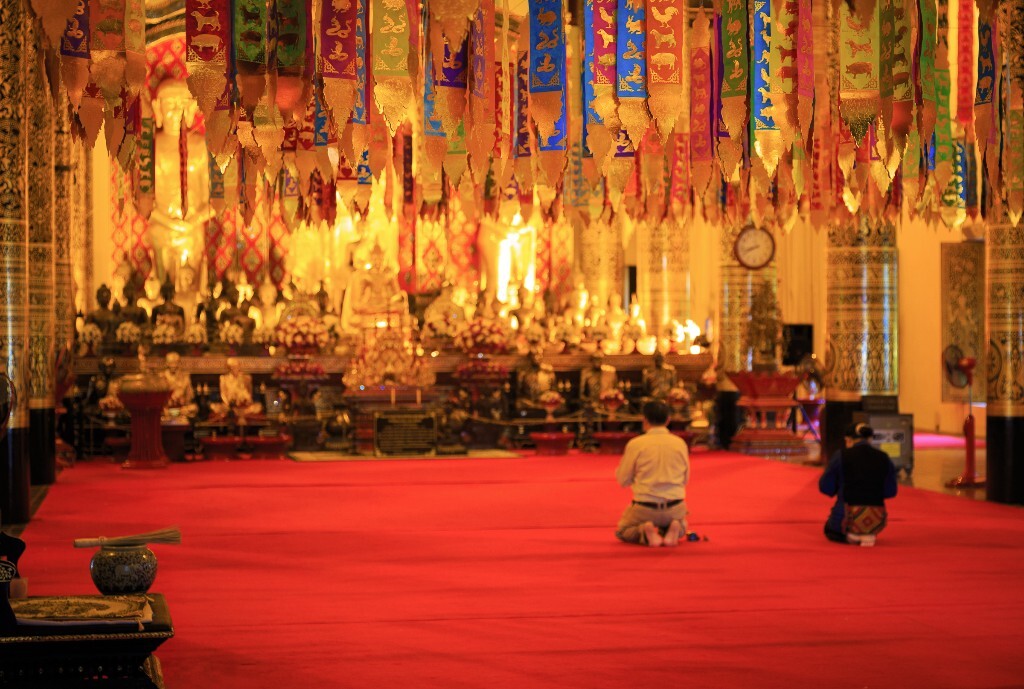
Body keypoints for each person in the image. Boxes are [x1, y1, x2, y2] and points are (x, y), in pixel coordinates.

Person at [614, 400, 691, 547]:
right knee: (683, 524)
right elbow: (686, 479)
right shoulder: (680, 443)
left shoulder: (636, 444)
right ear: (668, 420)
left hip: (645, 506)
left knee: (623, 531)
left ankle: (644, 530)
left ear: (645, 420)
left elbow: (623, 479)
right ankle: (675, 527)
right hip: (675, 505)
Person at [819, 422, 898, 546]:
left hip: (845, 519)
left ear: (849, 440)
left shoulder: (841, 456)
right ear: (869, 439)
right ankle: (866, 532)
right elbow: (890, 491)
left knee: (830, 527)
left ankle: (851, 534)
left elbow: (825, 487)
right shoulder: (884, 458)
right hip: (875, 520)